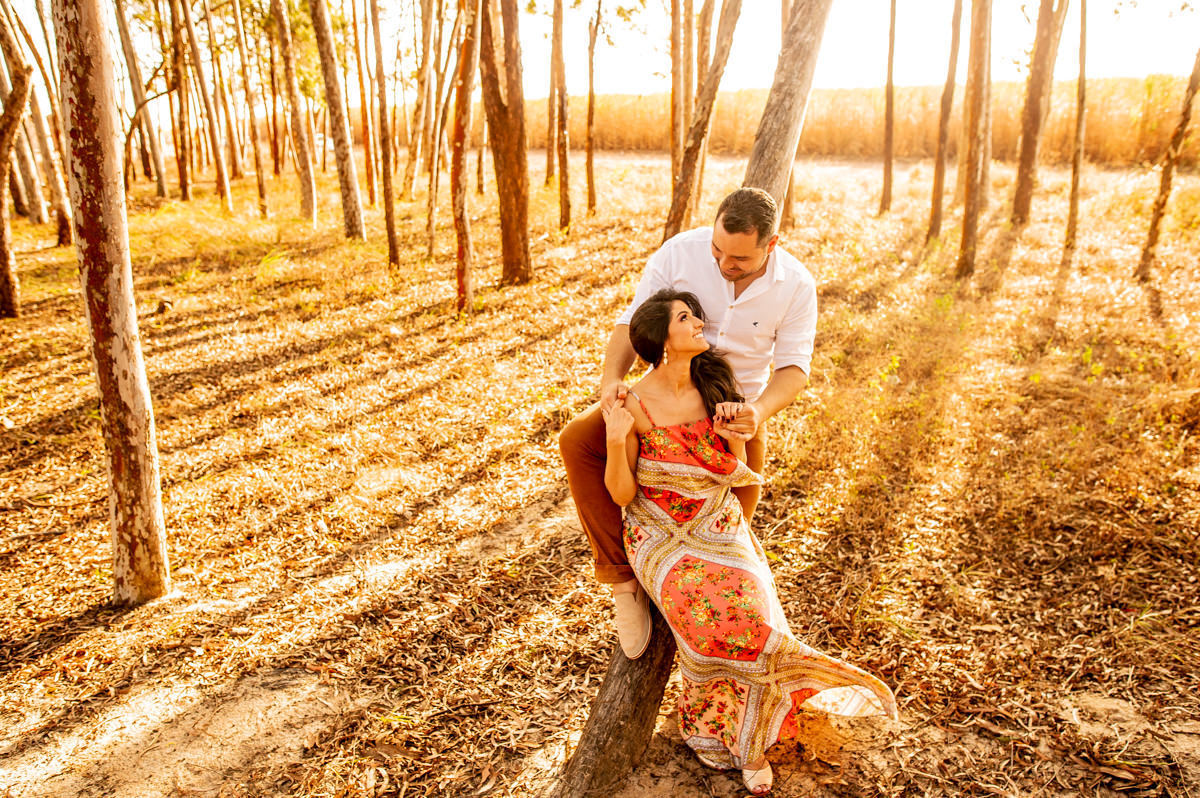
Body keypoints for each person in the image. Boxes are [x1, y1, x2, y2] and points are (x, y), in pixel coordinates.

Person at [602, 289, 897, 794]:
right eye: (684, 317)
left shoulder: (715, 382)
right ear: (661, 340)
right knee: (703, 614)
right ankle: (732, 736)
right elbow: (623, 492)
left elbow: (735, 473)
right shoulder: (632, 401)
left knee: (749, 608)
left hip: (717, 520)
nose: (698, 322)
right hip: (659, 531)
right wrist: (614, 437)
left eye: (695, 314)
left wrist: (734, 436)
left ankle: (762, 716)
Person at [559, 187, 816, 659]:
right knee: (577, 440)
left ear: (772, 244)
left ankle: (723, 578)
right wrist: (612, 379)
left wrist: (755, 413)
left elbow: (795, 368)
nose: (723, 263)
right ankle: (622, 581)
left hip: (730, 407)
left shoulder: (796, 285)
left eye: (739, 258)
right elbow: (631, 320)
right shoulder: (680, 252)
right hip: (664, 395)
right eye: (718, 249)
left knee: (739, 507)